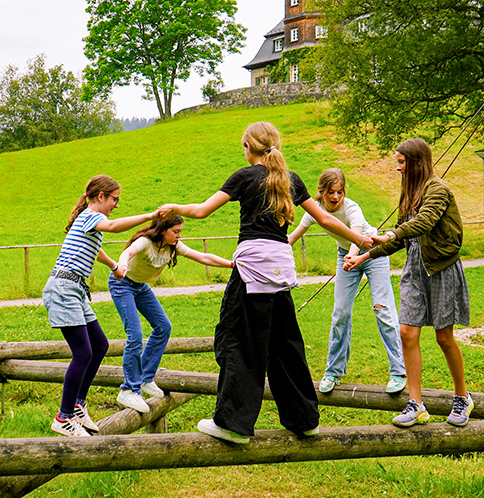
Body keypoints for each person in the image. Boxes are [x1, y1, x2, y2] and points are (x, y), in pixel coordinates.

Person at [159, 121, 373, 444]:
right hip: (281, 270)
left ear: (249, 148)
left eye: (244, 147)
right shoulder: (291, 180)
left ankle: (233, 424)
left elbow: (201, 211)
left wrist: (173, 208)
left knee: (239, 341)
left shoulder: (244, 177)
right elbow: (326, 219)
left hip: (251, 271)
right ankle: (305, 419)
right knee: (286, 345)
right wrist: (361, 238)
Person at [344, 138, 473, 428]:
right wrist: (365, 257)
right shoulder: (409, 194)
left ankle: (462, 397)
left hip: (441, 268)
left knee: (443, 337)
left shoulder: (438, 189)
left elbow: (424, 223)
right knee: (407, 333)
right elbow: (402, 239)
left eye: (401, 162)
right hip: (415, 270)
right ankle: (416, 404)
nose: (397, 167)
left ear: (416, 162)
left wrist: (391, 234)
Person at [43, 174, 159, 437]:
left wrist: (114, 265)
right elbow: (116, 226)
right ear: (100, 197)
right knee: (83, 353)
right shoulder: (90, 216)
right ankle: (64, 417)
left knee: (100, 346)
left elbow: (95, 250)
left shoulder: (89, 222)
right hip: (63, 289)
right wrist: (148, 216)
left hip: (74, 290)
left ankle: (77, 404)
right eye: (114, 200)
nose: (116, 205)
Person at [288, 168, 406, 395]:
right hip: (346, 256)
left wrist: (354, 256)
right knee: (340, 312)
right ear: (321, 191)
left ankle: (398, 371)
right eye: (331, 192)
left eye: (340, 192)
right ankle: (333, 371)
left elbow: (357, 235)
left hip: (373, 252)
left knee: (383, 309)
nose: (335, 197)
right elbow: (293, 238)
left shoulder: (351, 208)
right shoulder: (314, 210)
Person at [109, 213, 233, 412]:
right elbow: (127, 253)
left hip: (140, 287)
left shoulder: (174, 246)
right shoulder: (145, 242)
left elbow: (202, 256)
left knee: (163, 327)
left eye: (180, 232)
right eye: (175, 232)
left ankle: (145, 378)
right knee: (135, 336)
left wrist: (232, 264)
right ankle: (128, 390)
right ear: (163, 230)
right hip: (122, 284)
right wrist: (121, 264)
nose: (178, 236)